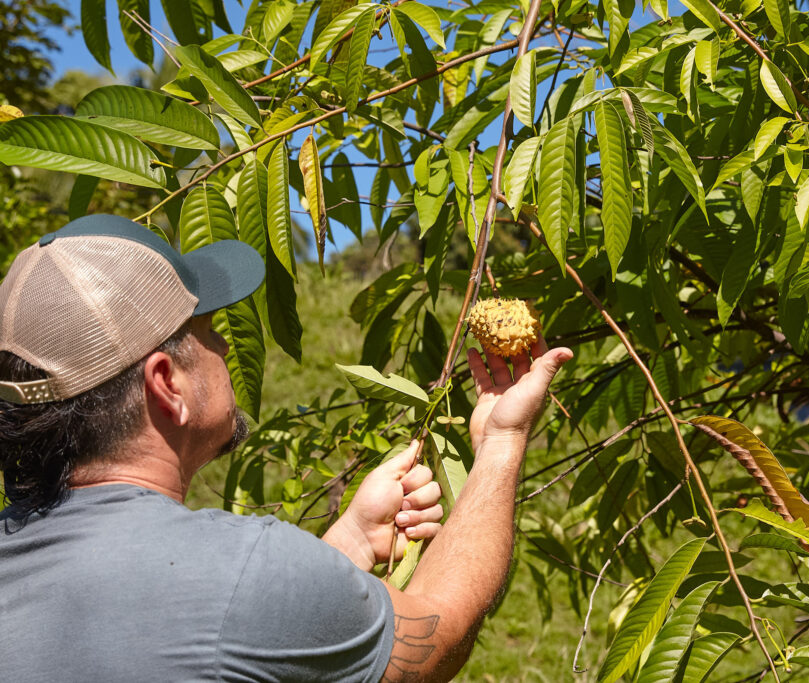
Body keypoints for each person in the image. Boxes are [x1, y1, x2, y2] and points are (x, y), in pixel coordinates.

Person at [0, 214, 572, 682]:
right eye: (208, 331)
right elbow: (437, 635)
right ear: (166, 383)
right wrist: (502, 438)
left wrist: (346, 541)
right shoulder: (237, 571)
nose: (226, 344)